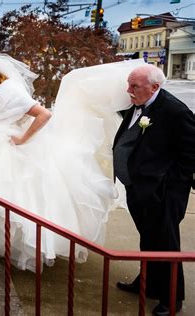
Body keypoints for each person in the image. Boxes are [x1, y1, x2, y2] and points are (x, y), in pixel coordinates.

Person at [0, 54, 146, 272]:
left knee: (0, 197)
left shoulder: (11, 92)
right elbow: (3, 116)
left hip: (9, 146)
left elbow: (44, 114)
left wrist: (23, 139)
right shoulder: (1, 93)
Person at [113, 64, 195, 315]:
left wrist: (169, 185)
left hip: (164, 192)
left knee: (167, 244)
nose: (128, 90)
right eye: (129, 84)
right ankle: (147, 284)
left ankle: (172, 299)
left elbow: (191, 153)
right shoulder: (138, 104)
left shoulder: (175, 111)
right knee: (149, 238)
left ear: (155, 87)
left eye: (134, 86)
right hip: (139, 188)